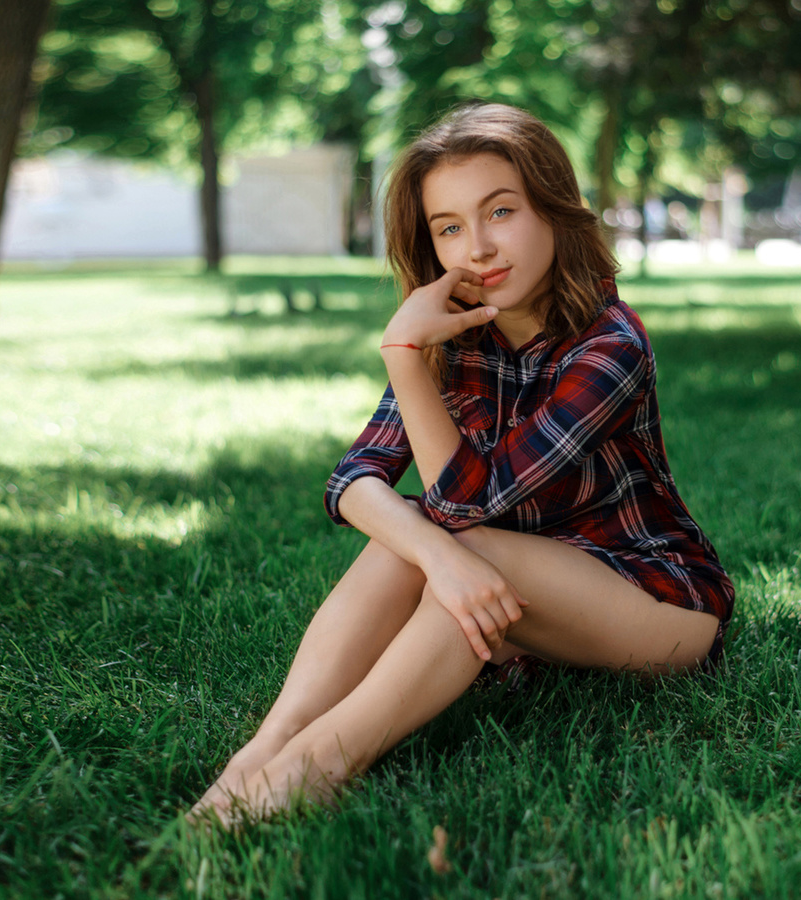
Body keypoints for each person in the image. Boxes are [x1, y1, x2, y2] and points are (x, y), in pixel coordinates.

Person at [190, 103, 734, 826]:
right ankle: (266, 747)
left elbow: (471, 504)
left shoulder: (610, 344)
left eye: (499, 211)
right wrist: (438, 558)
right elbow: (353, 481)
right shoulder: (453, 339)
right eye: (449, 227)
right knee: (420, 542)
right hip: (513, 594)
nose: (476, 247)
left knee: (451, 538)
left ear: (551, 207)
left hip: (655, 601)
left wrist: (404, 362)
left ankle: (314, 768)